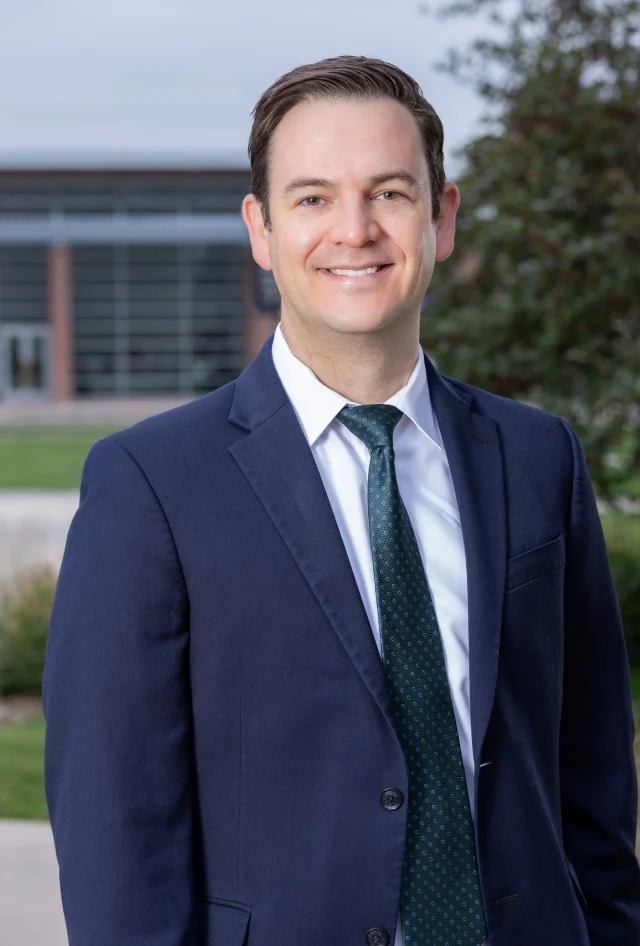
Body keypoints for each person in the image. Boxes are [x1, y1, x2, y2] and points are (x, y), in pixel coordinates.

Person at [43, 55, 640, 946]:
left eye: (391, 193)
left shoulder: (536, 455)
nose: (354, 230)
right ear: (262, 227)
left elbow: (593, 772)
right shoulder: (151, 484)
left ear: (442, 218)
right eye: (314, 197)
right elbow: (116, 827)